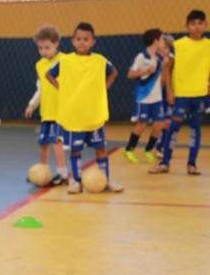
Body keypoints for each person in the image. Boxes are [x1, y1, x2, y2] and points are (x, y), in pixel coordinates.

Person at [46, 22, 123, 194]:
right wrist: (62, 88)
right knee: (76, 150)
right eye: (78, 39)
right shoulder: (65, 61)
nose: (82, 42)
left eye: (86, 39)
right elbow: (49, 74)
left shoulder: (100, 60)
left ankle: (106, 180)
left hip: (94, 113)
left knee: (101, 148)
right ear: (73, 41)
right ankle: (77, 182)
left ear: (93, 42)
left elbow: (114, 72)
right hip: (74, 115)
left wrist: (103, 88)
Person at [150, 10, 210, 175]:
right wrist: (169, 90)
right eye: (193, 23)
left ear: (206, 25)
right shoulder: (178, 46)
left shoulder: (208, 46)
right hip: (182, 95)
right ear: (187, 26)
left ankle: (192, 164)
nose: (196, 27)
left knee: (195, 129)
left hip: (200, 95)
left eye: (200, 23)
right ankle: (165, 162)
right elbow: (168, 68)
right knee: (173, 127)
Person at [24, 25, 68, 185]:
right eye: (40, 48)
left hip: (60, 112)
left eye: (47, 47)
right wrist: (32, 104)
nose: (44, 51)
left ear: (56, 43)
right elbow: (40, 88)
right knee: (43, 143)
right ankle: (41, 172)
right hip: (46, 112)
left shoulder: (65, 60)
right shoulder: (40, 64)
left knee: (57, 142)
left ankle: (63, 174)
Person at [123, 29, 167, 164]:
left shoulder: (160, 57)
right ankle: (129, 150)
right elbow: (130, 74)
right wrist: (146, 70)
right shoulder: (141, 57)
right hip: (143, 97)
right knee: (141, 124)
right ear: (155, 41)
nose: (163, 42)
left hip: (157, 98)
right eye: (162, 39)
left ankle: (149, 150)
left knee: (159, 125)